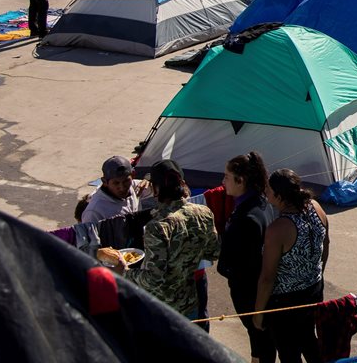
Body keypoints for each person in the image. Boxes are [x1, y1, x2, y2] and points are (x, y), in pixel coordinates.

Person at [121, 159, 219, 322]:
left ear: (156, 189)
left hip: (163, 310)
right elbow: (213, 252)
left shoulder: (158, 226)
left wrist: (123, 271)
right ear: (183, 183)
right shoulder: (204, 212)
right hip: (190, 304)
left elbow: (154, 279)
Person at [254, 169, 329, 363]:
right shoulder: (315, 207)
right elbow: (325, 245)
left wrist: (258, 313)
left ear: (279, 196)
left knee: (289, 352)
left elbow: (267, 277)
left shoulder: (278, 229)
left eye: (269, 190)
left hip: (286, 302)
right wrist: (316, 273)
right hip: (314, 290)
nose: (265, 193)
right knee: (309, 340)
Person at [218, 152, 277, 363]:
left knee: (260, 338)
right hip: (260, 290)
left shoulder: (247, 218)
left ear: (240, 180)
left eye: (226, 176)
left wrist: (225, 268)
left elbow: (245, 265)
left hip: (250, 292)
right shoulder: (262, 202)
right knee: (261, 338)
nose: (222, 181)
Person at [80, 155, 153, 224]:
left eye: (126, 181)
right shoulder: (95, 211)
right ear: (105, 182)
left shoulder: (134, 187)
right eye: (116, 183)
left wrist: (148, 179)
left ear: (133, 175)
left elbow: (158, 187)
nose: (122, 187)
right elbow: (88, 236)